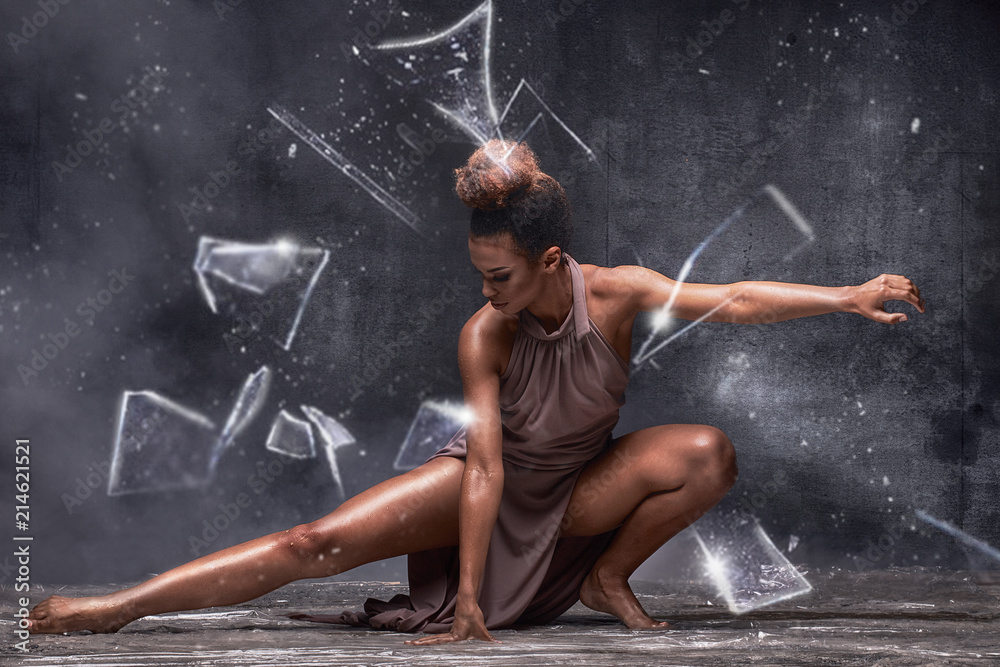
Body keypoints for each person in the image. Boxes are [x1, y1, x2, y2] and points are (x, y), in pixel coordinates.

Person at [26, 139, 924, 645]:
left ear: (551, 262)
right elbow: (488, 465)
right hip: (493, 488)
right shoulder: (484, 333)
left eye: (499, 276)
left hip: (575, 494)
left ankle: (606, 577)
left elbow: (729, 298)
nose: (485, 291)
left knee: (707, 454)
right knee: (317, 539)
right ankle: (125, 604)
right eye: (478, 273)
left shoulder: (614, 292)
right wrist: (465, 600)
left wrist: (847, 296)